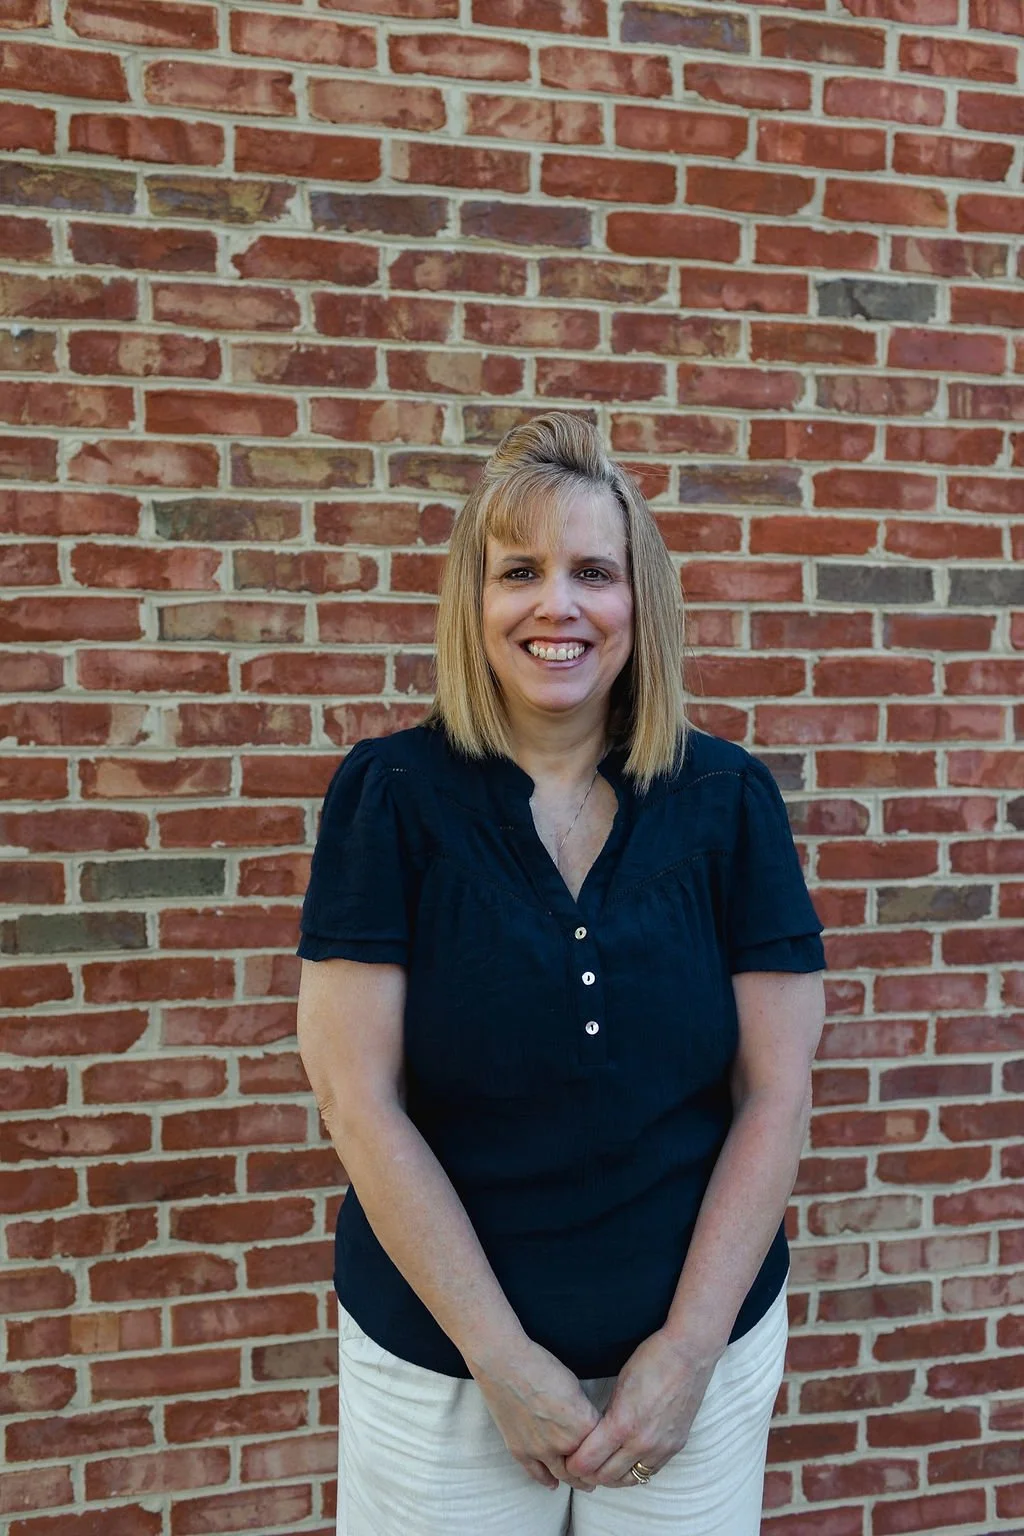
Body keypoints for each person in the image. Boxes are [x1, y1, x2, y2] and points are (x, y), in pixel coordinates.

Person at [296, 412, 826, 1536]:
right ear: (473, 602)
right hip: (439, 1373)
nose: (558, 606)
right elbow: (356, 1096)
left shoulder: (727, 803)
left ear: (639, 602)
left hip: (693, 1371)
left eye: (594, 571)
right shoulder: (389, 797)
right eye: (521, 572)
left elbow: (775, 1093)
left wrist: (685, 1354)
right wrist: (497, 1357)